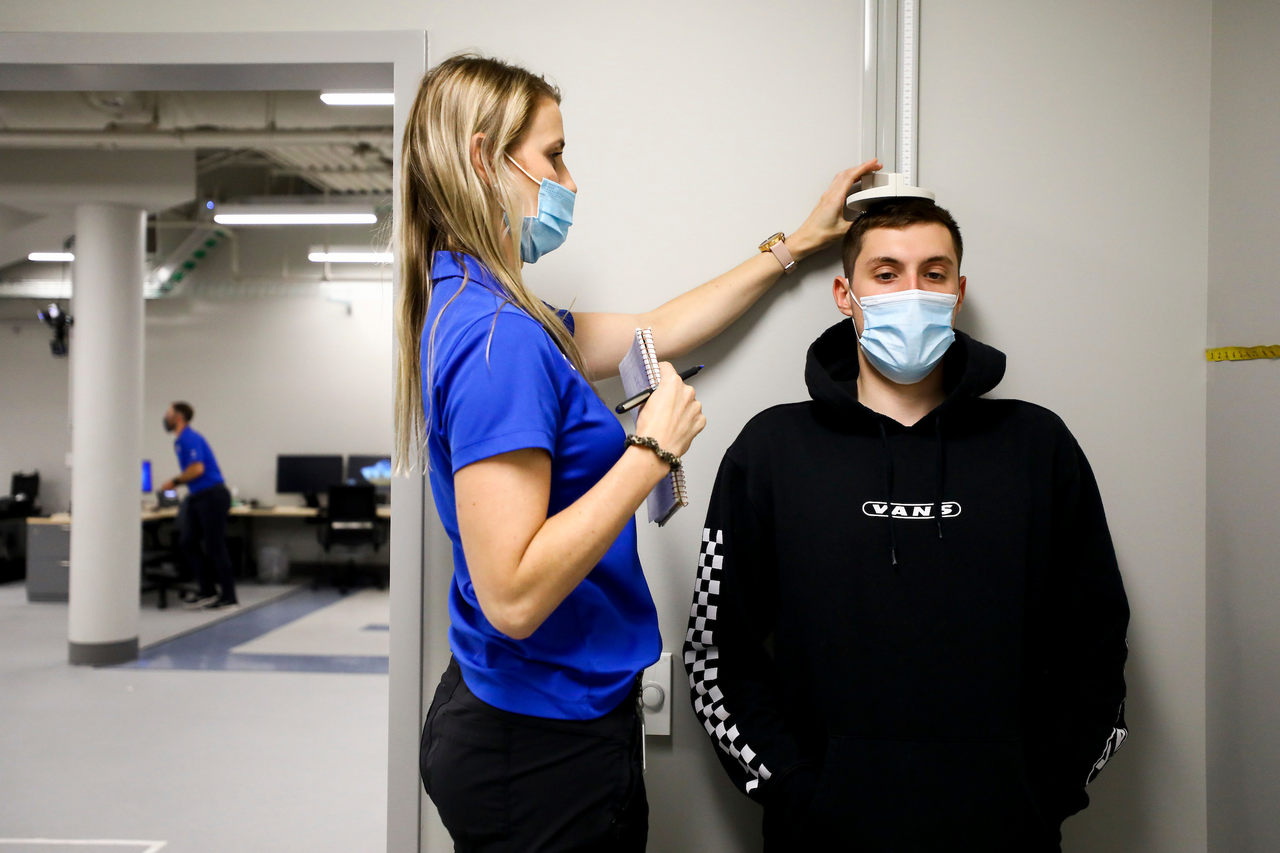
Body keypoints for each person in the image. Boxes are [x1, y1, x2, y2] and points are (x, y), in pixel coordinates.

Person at [397, 54, 878, 852]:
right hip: (538, 744)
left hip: (537, 716)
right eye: (553, 155)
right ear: (484, 158)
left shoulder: (487, 305)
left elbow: (658, 327)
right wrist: (650, 450)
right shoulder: (498, 338)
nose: (570, 182)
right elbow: (512, 595)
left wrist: (792, 246)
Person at [683, 198, 1130, 852]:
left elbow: (1095, 644)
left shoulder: (1038, 446)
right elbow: (716, 653)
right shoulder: (772, 449)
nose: (911, 292)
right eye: (886, 274)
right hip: (823, 834)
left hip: (1007, 832)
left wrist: (1045, 791)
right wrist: (796, 790)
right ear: (846, 293)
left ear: (958, 291)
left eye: (934, 272)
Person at [161, 401, 236, 611]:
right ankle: (208, 592)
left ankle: (230, 598)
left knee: (214, 546)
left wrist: (174, 482)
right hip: (197, 496)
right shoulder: (179, 441)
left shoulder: (189, 438)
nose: (165, 418)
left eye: (168, 413)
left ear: (178, 416)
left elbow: (197, 469)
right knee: (187, 542)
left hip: (212, 495)